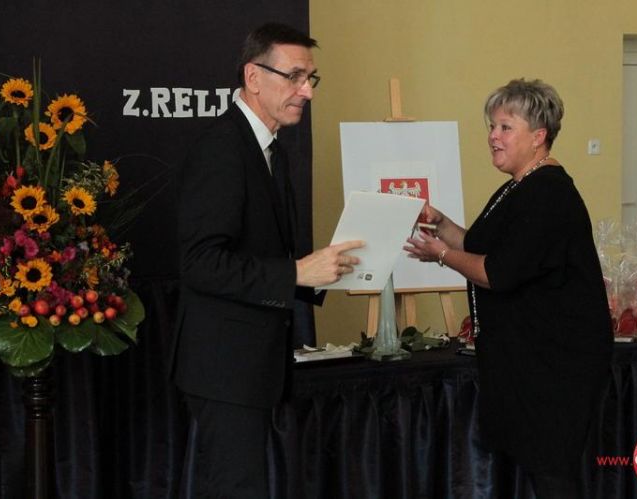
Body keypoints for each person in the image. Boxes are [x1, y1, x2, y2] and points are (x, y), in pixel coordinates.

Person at [169, 23, 363, 498]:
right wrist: (297, 272)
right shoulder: (222, 148)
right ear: (253, 77)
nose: (306, 91)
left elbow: (266, 253)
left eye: (310, 79)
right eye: (294, 76)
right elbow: (200, 263)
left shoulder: (271, 149)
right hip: (224, 368)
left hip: (252, 367)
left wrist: (328, 272)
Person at [404, 78, 612, 499]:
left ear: (538, 136)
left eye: (505, 127)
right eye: (492, 126)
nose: (493, 137)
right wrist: (441, 223)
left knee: (552, 472)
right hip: (529, 360)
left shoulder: (548, 193)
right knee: (540, 467)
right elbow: (482, 245)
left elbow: (496, 272)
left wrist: (440, 254)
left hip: (556, 364)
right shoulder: (520, 185)